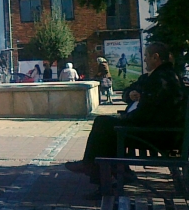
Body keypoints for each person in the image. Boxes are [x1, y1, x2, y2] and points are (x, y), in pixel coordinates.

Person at [65, 42, 186, 185]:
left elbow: (145, 114)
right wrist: (130, 95)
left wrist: (125, 119)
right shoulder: (161, 76)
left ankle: (97, 171)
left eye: (146, 56)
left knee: (104, 124)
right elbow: (133, 96)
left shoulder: (161, 79)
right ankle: (111, 172)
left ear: (155, 57)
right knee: (108, 126)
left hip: (159, 135)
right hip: (161, 132)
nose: (145, 59)